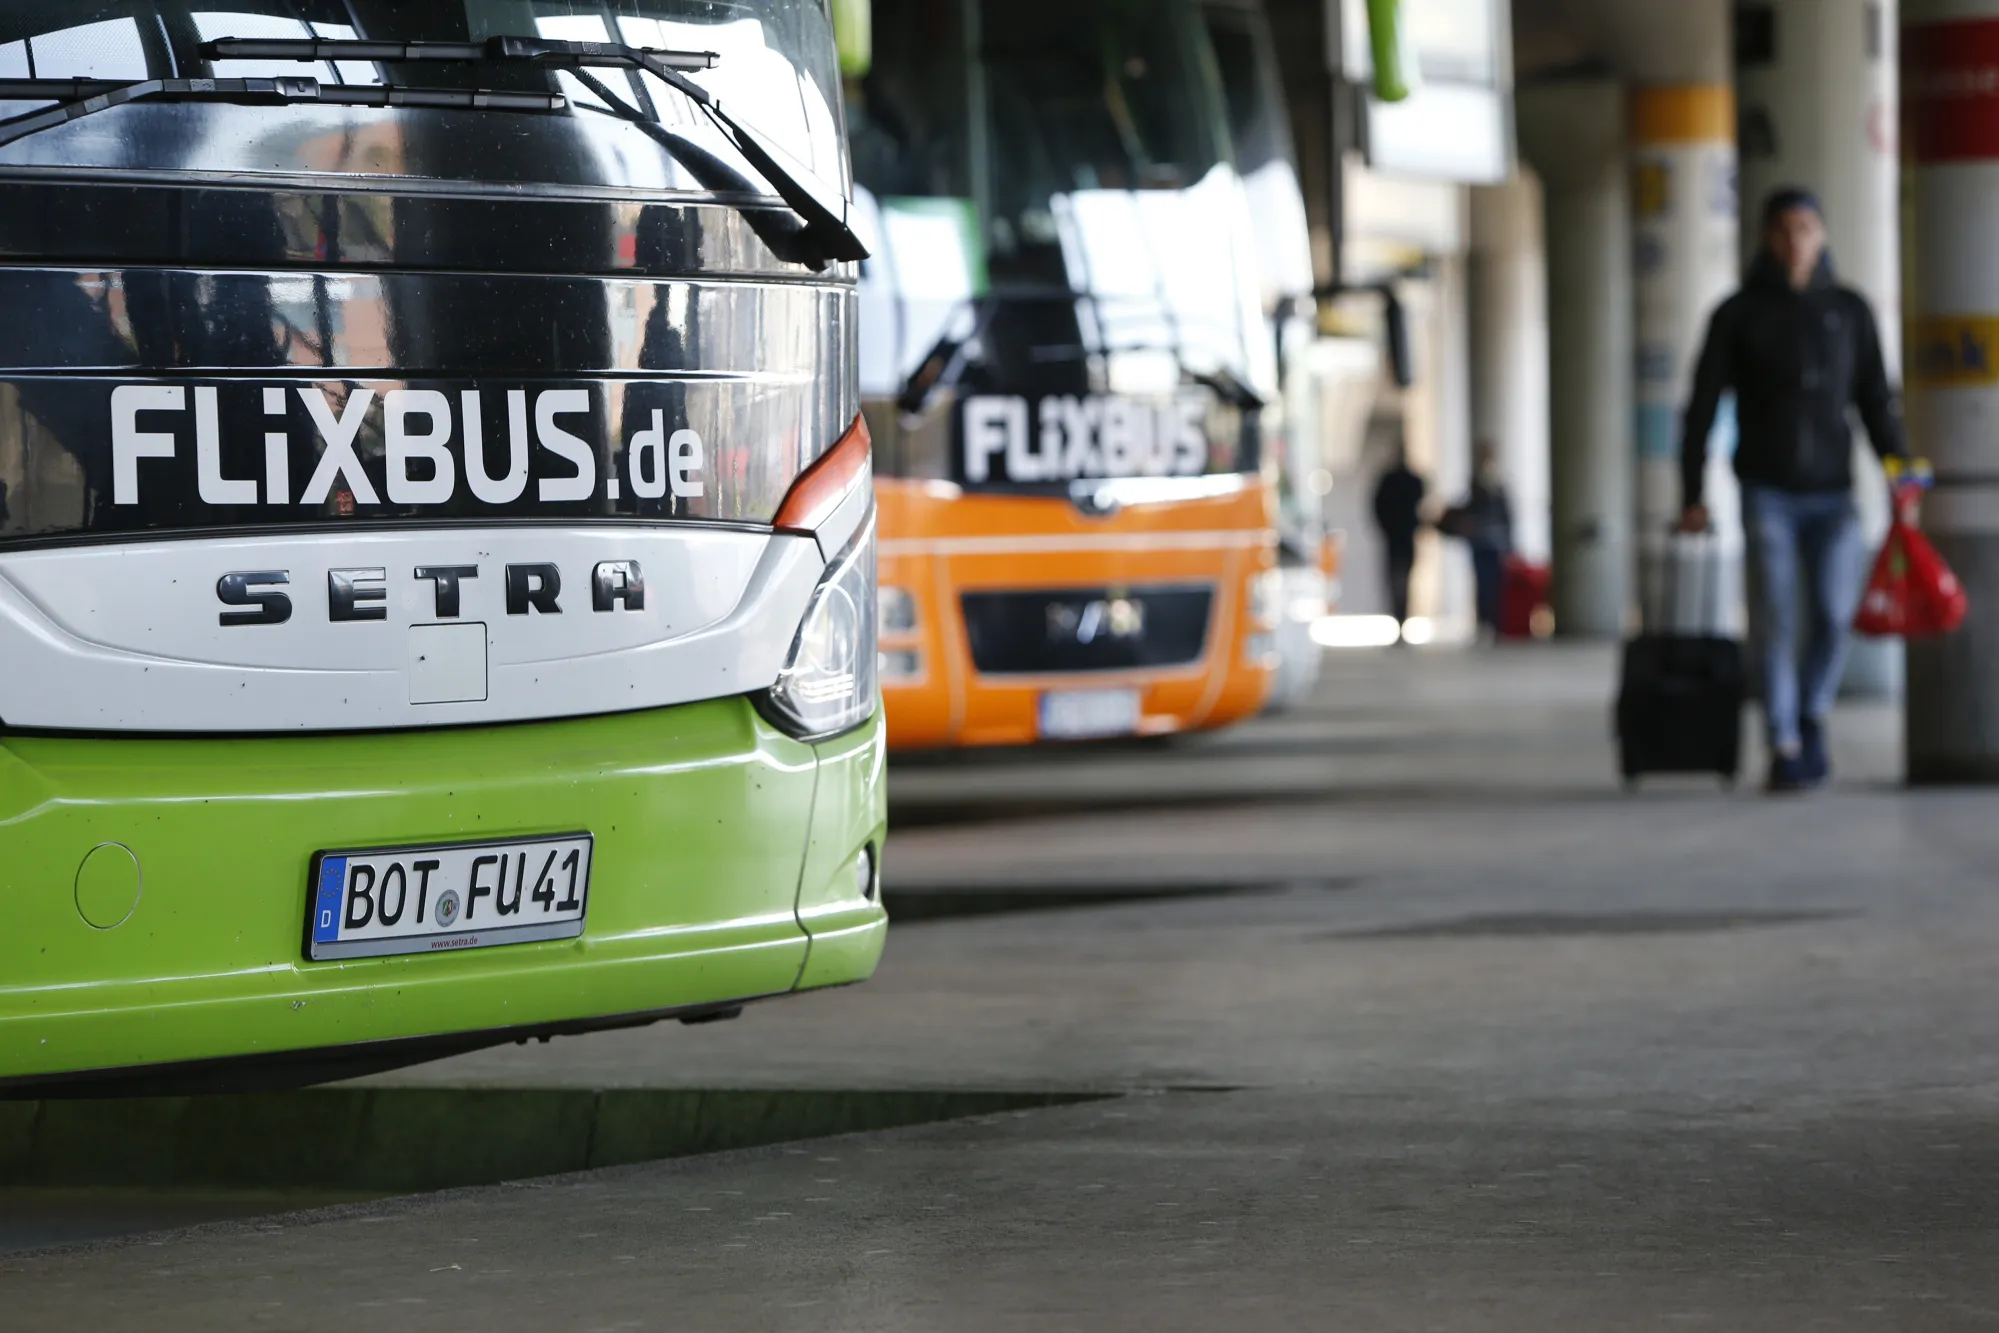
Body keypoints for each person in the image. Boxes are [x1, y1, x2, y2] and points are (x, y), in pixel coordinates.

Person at [1678, 186, 1908, 792]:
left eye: (1806, 228)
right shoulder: (1738, 314)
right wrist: (1691, 492)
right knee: (1777, 617)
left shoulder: (1849, 311)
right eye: (1783, 229)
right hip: (1766, 490)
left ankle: (1810, 712)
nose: (1795, 241)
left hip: (1836, 493)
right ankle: (1783, 740)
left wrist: (1900, 468)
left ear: (1823, 234)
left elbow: (1875, 401)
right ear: (1764, 237)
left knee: (1835, 614)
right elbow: (1701, 407)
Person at [1441, 443, 1514, 641]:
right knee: (1483, 583)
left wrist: (1510, 545)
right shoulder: (1478, 484)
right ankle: (1485, 621)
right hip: (1481, 542)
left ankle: (1496, 622)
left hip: (1496, 543)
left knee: (1497, 584)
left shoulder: (1498, 484)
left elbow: (1507, 517)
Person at [1371, 444, 1425, 630]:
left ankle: (1401, 616)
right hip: (1397, 536)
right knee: (1398, 578)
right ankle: (1399, 616)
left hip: (1400, 536)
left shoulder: (1396, 481)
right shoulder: (1399, 481)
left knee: (1400, 578)